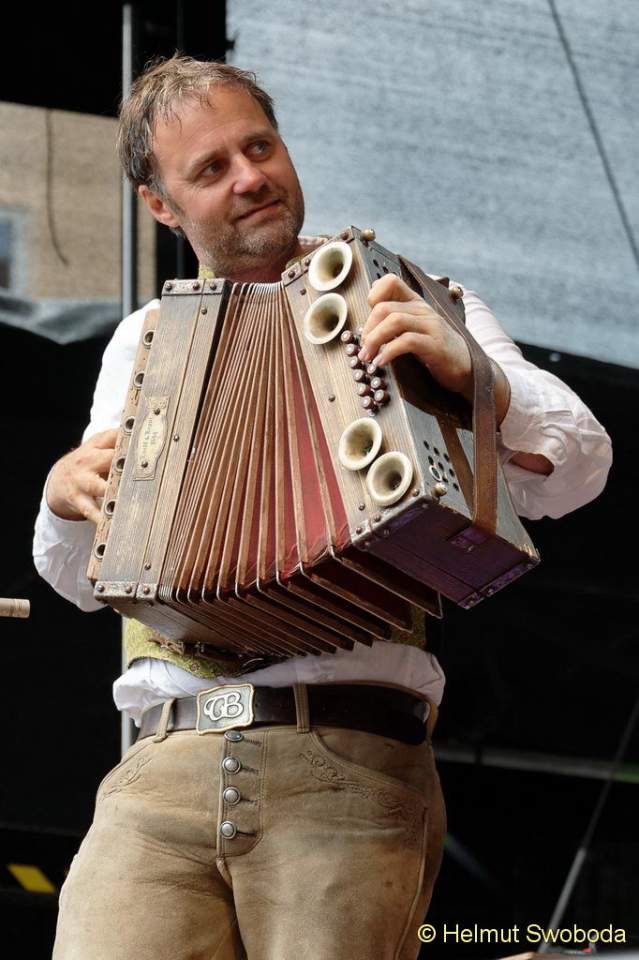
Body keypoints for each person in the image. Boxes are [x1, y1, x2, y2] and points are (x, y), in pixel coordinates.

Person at [33, 56, 612, 960]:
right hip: (156, 774)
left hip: (345, 764)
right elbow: (79, 579)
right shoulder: (142, 342)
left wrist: (478, 381)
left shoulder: (409, 294)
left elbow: (577, 472)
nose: (250, 176)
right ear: (160, 205)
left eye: (259, 146)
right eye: (211, 168)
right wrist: (64, 501)